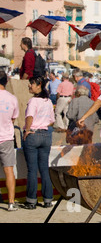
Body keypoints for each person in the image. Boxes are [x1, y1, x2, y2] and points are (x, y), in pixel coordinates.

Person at [22, 76, 55, 209]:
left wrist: (27, 130)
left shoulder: (33, 101)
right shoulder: (47, 101)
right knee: (44, 169)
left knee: (32, 170)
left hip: (34, 134)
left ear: (39, 85)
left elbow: (29, 116)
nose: (29, 86)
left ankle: (31, 201)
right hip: (46, 134)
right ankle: (47, 199)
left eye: (31, 84)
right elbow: (52, 120)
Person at [0, 71, 20, 211]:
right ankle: (11, 202)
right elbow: (13, 119)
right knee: (9, 170)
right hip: (6, 137)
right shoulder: (12, 98)